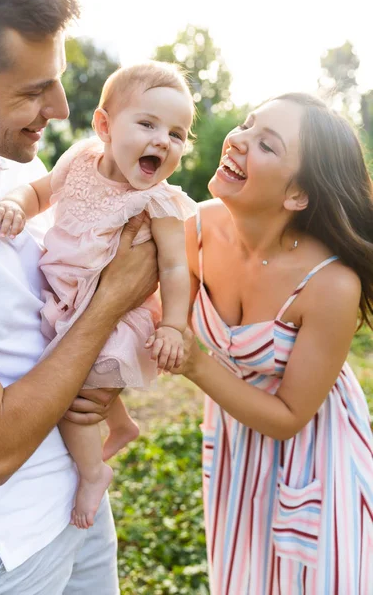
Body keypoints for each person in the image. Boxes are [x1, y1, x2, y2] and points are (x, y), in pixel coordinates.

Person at [0, 0, 158, 593]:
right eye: (33, 91)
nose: (60, 108)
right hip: (11, 546)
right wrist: (112, 299)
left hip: (77, 502)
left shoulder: (13, 167)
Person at [0, 61, 197, 529]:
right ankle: (120, 425)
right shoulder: (79, 161)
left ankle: (93, 472)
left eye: (177, 134)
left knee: (71, 401)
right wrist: (15, 206)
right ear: (103, 126)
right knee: (74, 376)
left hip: (120, 318)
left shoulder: (159, 202)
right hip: (67, 302)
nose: (163, 140)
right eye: (147, 124)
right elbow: (38, 193)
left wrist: (173, 326)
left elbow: (177, 268)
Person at [175, 93, 373, 594]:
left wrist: (194, 362)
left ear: (297, 196)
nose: (237, 139)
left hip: (313, 452)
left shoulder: (331, 284)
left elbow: (288, 418)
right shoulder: (192, 230)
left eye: (266, 144)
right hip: (234, 447)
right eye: (246, 124)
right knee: (244, 576)